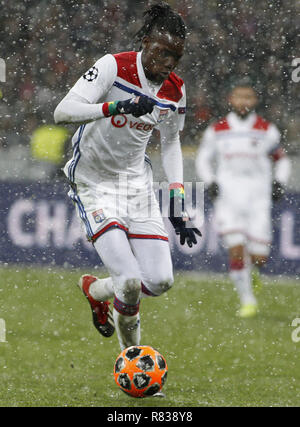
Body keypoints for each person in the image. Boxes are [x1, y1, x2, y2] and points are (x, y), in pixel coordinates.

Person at [54, 2, 201, 351]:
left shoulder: (174, 90)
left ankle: (95, 289)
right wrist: (115, 106)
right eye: (163, 53)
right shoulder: (113, 66)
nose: (168, 63)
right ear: (146, 43)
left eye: (175, 58)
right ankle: (132, 361)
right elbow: (63, 112)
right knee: (131, 281)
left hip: (135, 185)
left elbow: (171, 144)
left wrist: (177, 198)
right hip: (93, 182)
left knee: (162, 280)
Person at [196, 79, 291, 318]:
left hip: (258, 199)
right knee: (236, 249)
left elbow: (282, 159)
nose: (243, 101)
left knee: (259, 257)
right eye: (239, 96)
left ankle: (253, 272)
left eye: (248, 97)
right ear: (231, 99)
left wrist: (279, 181)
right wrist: (211, 181)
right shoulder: (217, 130)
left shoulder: (266, 129)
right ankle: (247, 301)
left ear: (254, 100)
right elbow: (203, 159)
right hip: (228, 198)